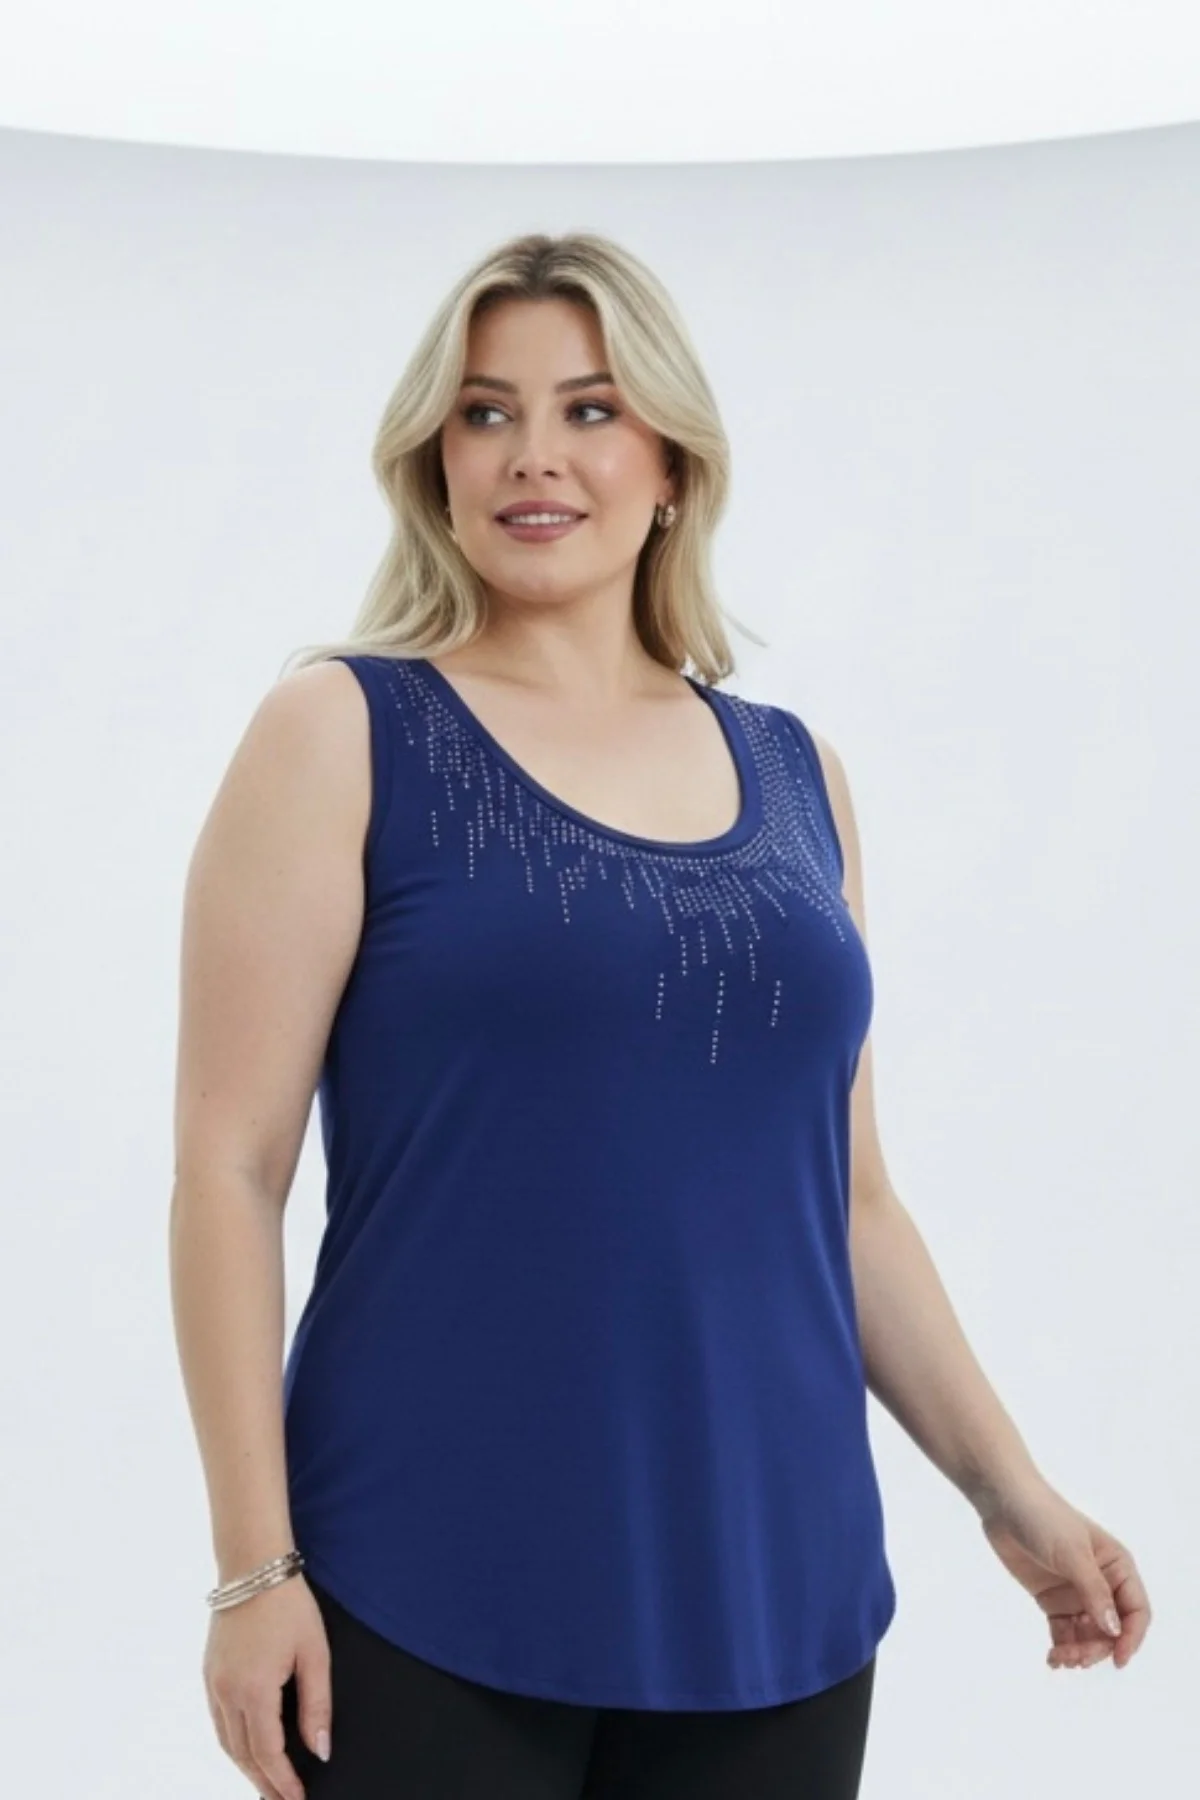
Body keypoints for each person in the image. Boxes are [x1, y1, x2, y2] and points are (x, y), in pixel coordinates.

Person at [169, 231, 1152, 1800]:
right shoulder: (343, 732)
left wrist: (1007, 1490)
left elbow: (853, 1203)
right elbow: (230, 1168)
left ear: (674, 463)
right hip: (423, 1577)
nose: (533, 455)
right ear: (434, 459)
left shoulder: (798, 777)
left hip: (775, 1592)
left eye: (590, 409)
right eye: (485, 412)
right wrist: (251, 1566)